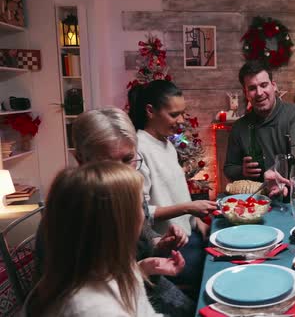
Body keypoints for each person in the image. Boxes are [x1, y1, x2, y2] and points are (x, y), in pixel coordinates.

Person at [35, 108, 196, 316]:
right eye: (110, 164)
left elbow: (141, 243)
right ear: (81, 159)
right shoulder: (71, 220)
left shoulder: (127, 188)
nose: (125, 173)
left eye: (128, 159)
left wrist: (159, 245)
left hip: (138, 283)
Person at [26, 162, 162, 316]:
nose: (144, 215)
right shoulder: (93, 309)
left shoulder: (120, 267)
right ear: (118, 224)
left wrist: (141, 268)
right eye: (139, 206)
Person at [127, 80, 217, 296]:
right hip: (168, 249)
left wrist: (197, 223)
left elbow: (175, 193)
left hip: (189, 237)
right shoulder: (139, 150)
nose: (181, 121)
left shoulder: (167, 143)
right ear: (150, 111)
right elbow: (144, 212)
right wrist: (188, 208)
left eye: (183, 113)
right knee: (213, 273)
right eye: (174, 114)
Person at [224, 60, 295, 182]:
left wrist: (272, 172)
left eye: (263, 85)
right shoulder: (239, 127)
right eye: (252, 88)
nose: (259, 93)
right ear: (246, 93)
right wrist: (242, 170)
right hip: (259, 198)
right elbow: (229, 168)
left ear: (274, 86)